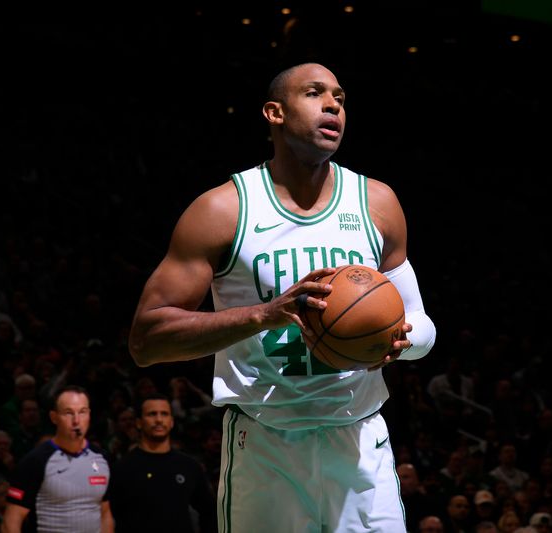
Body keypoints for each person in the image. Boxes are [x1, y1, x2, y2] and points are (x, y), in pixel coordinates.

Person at [128, 62, 436, 533]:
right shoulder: (222, 209)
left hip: (359, 439)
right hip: (265, 443)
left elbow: (421, 322)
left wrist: (404, 341)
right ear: (274, 112)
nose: (333, 104)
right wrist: (263, 314)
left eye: (340, 97)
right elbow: (147, 340)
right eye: (315, 93)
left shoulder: (377, 202)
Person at [1, 385, 113, 533]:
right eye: (68, 413)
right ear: (54, 417)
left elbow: (105, 513)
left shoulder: (102, 458)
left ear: (89, 415)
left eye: (82, 412)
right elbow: (10, 523)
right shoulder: (35, 461)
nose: (76, 420)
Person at [107, 392, 217, 533]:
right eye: (152, 414)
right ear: (139, 422)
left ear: (171, 422)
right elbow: (108, 515)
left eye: (164, 414)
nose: (159, 419)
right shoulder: (122, 468)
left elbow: (209, 511)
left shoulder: (189, 466)